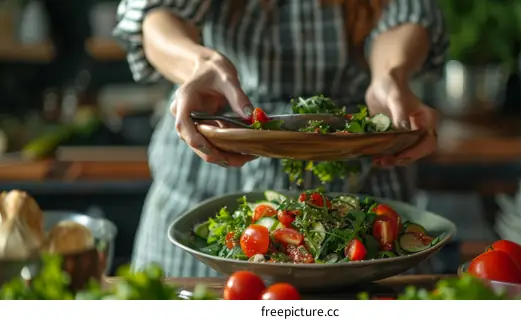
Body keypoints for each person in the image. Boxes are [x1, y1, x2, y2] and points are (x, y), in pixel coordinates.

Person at [113, 0, 448, 277]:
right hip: (208, 194)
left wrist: (391, 76)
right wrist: (199, 63)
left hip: (364, 206)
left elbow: (406, 14)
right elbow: (158, 13)